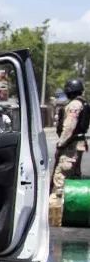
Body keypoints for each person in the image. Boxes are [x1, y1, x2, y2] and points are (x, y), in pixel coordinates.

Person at [50, 78, 87, 219]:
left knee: (60, 177)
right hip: (76, 145)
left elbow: (69, 126)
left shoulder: (75, 104)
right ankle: (72, 212)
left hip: (71, 145)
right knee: (73, 176)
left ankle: (56, 213)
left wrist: (60, 145)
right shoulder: (80, 102)